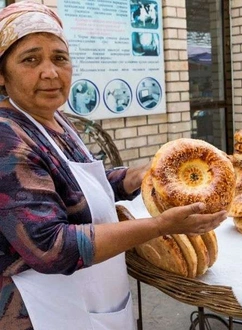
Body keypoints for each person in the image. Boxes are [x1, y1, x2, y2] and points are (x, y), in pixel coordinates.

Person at [0, 2, 228, 330]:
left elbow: (76, 187)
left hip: (93, 301)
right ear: (2, 74)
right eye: (30, 59)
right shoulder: (7, 136)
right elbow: (51, 247)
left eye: (60, 58)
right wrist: (160, 226)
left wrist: (131, 178)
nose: (50, 73)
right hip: (43, 312)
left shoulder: (55, 120)